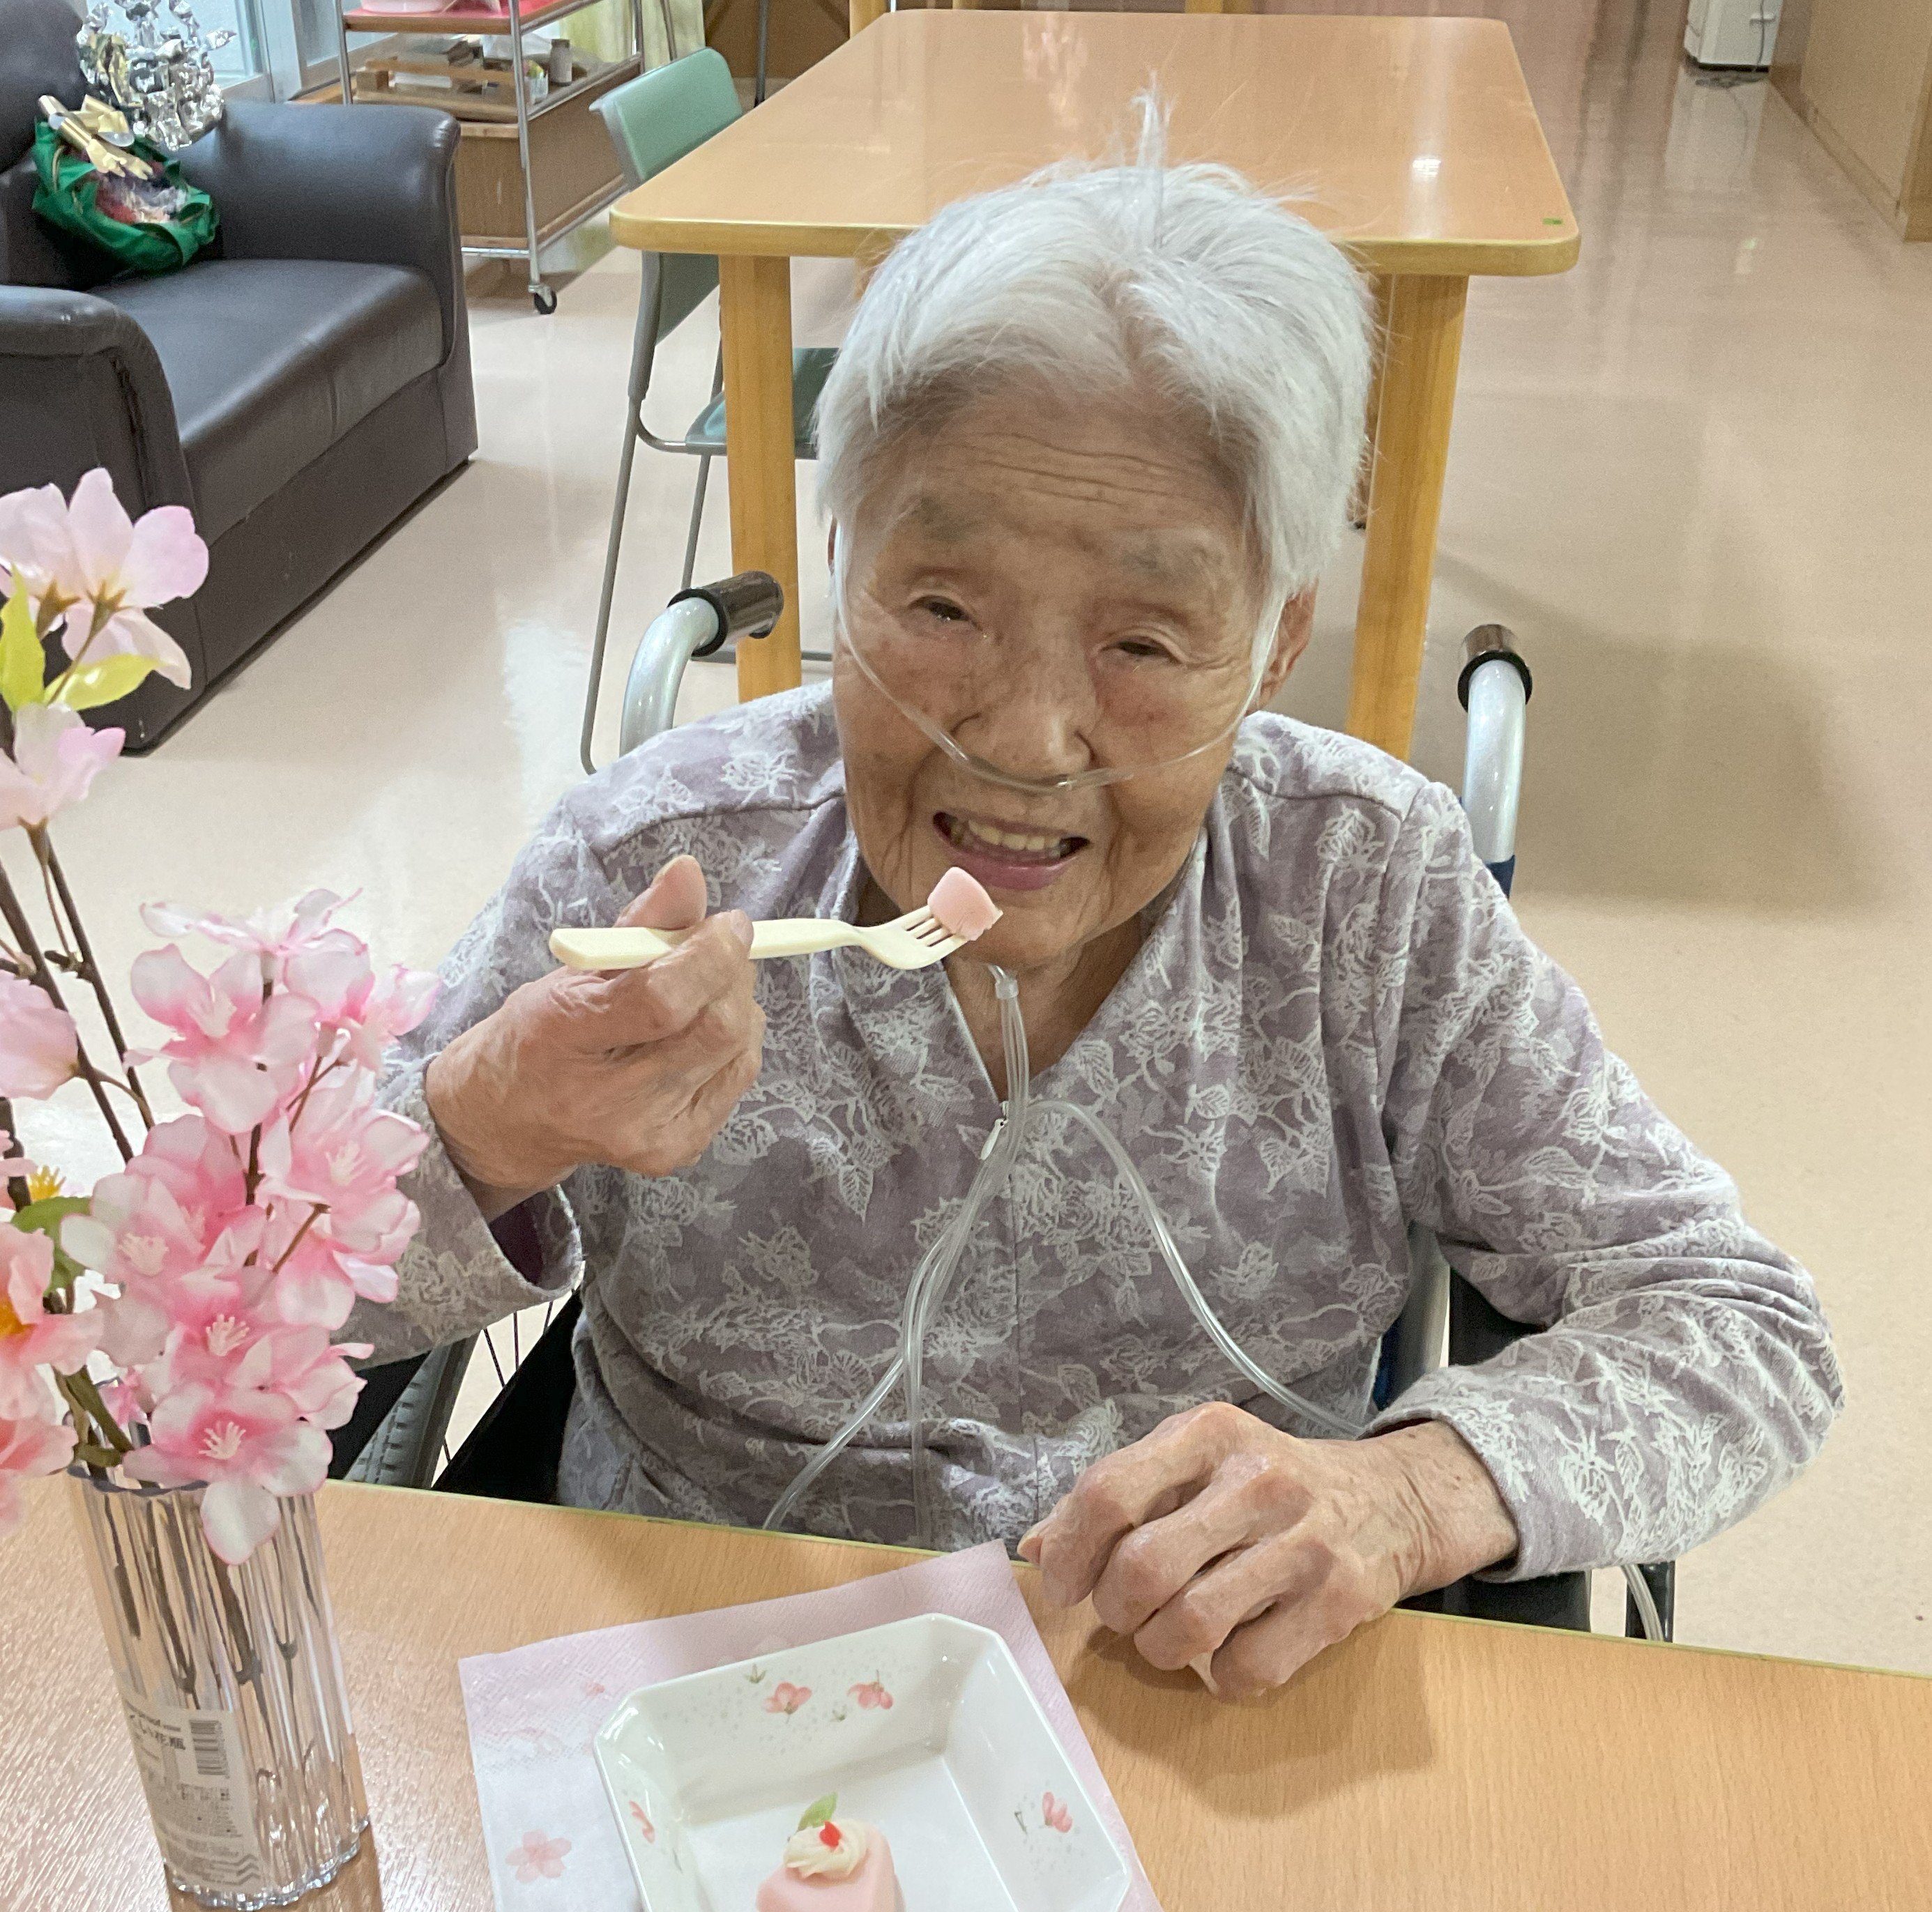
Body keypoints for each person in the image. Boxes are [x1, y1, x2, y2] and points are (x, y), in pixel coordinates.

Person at [363, 151, 1841, 1698]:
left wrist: (1407, 1494)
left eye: (1142, 640)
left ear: (1274, 641)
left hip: (1182, 1689)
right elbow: (262, 1304)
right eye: (942, 607)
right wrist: (484, 1130)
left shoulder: (1361, 891)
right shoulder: (661, 856)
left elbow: (1744, 1327)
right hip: (696, 1674)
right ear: (843, 562)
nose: (1025, 738)